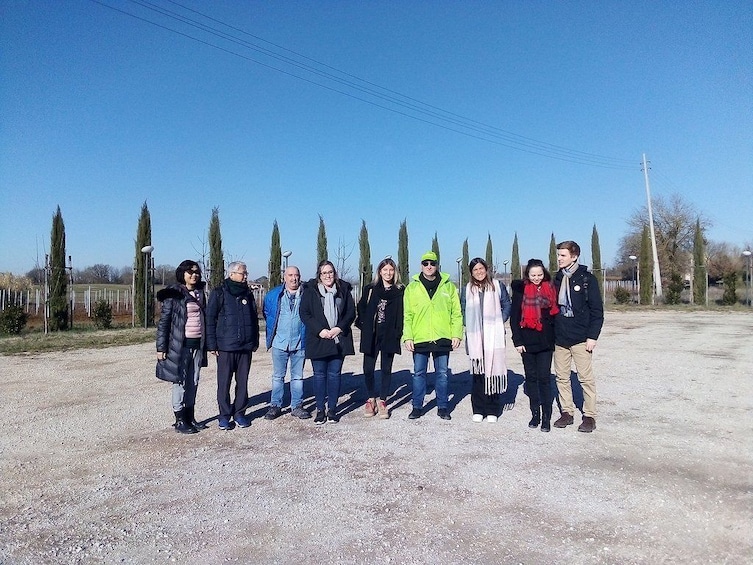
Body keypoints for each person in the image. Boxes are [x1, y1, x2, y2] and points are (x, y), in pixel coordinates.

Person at [403, 251, 463, 420]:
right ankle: (417, 406)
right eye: (426, 263)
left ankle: (443, 406)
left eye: (432, 263)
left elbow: (456, 313)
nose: (429, 266)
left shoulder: (448, 286)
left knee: (442, 373)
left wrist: (457, 334)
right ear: (421, 266)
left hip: (442, 336)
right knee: (419, 373)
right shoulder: (412, 288)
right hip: (420, 336)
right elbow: (407, 315)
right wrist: (407, 337)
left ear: (437, 265)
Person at [552, 241, 604, 433]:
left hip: (582, 338)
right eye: (558, 255)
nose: (559, 259)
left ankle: (589, 415)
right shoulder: (557, 279)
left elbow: (597, 310)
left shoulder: (587, 279)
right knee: (562, 377)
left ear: (574, 256)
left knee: (585, 378)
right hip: (560, 338)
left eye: (563, 255)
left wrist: (593, 336)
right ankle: (567, 412)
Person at [300, 260, 356, 424]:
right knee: (319, 375)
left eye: (330, 272)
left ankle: (332, 409)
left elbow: (350, 312)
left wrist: (339, 328)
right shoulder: (310, 291)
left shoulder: (343, 290)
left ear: (334, 273)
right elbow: (305, 313)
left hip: (338, 338)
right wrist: (320, 330)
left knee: (334, 375)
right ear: (319, 275)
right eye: (324, 273)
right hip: (318, 339)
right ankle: (319, 410)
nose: (328, 275)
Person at [206, 261, 260, 431]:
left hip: (245, 347)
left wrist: (255, 340)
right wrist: (212, 344)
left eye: (246, 273)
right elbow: (210, 319)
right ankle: (224, 415)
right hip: (226, 346)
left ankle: (239, 413)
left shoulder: (248, 294)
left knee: (242, 382)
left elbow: (253, 319)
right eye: (243, 273)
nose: (245, 276)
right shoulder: (219, 293)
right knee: (224, 383)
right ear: (232, 274)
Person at [155, 260, 207, 434]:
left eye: (196, 272)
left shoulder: (201, 292)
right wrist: (161, 348)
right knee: (179, 381)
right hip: (180, 345)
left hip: (197, 345)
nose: (194, 275)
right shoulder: (174, 294)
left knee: (194, 381)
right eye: (190, 272)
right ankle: (179, 420)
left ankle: (190, 416)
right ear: (182, 274)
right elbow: (164, 323)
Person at [510, 259, 559, 432]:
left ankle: (546, 416)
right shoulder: (521, 291)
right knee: (531, 377)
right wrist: (517, 341)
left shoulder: (551, 288)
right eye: (533, 275)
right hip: (527, 341)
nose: (536, 278)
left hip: (545, 341)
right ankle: (535, 414)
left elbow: (555, 315)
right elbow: (514, 318)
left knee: (544, 378)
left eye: (539, 274)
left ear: (543, 273)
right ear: (527, 275)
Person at [460, 257, 511, 423]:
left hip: (493, 337)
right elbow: (462, 309)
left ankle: (492, 409)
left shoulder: (497, 286)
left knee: (493, 371)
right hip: (475, 338)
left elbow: (507, 305)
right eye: (475, 270)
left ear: (486, 269)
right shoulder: (466, 289)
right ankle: (478, 408)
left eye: (481, 269)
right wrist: (470, 325)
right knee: (478, 375)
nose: (479, 272)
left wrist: (498, 321)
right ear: (471, 273)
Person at [356, 257, 404, 419]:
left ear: (395, 272)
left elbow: (402, 313)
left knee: (386, 368)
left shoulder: (399, 291)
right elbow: (361, 307)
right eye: (385, 270)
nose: (388, 273)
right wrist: (366, 326)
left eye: (391, 270)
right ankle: (371, 399)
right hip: (372, 334)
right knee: (368, 368)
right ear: (380, 272)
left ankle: (383, 401)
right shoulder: (370, 289)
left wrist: (399, 331)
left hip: (390, 334)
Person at [263, 266, 310, 420]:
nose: (293, 278)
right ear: (285, 277)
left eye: (296, 275)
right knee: (278, 376)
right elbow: (267, 314)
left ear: (300, 277)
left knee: (297, 377)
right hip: (279, 343)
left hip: (299, 342)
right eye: (290, 275)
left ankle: (297, 405)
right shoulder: (274, 295)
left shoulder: (307, 294)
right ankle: (275, 405)